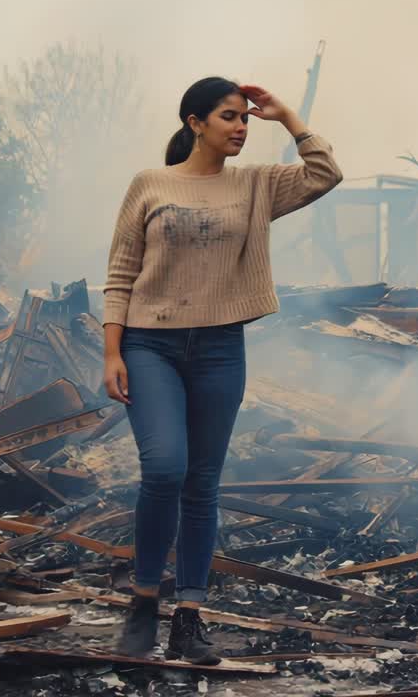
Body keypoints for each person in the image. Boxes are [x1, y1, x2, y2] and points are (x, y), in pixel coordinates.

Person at [101, 76, 342, 663]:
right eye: (230, 118)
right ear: (195, 123)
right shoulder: (150, 184)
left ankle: (189, 616)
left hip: (219, 348)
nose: (240, 128)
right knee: (164, 469)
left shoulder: (256, 186)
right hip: (149, 345)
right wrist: (112, 351)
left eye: (245, 120)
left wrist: (287, 116)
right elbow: (120, 271)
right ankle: (142, 602)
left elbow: (325, 174)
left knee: (202, 483)